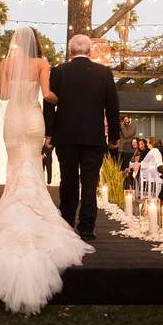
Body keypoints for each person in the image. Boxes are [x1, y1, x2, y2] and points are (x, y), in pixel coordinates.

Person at [0, 28, 95, 315]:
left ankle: (11, 212)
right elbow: (48, 95)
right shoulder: (42, 63)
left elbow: (3, 93)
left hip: (13, 119)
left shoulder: (6, 63)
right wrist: (66, 102)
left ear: (15, 45)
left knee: (14, 170)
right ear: (36, 43)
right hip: (33, 120)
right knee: (32, 166)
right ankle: (37, 213)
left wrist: (12, 82)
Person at [44, 34, 121, 241]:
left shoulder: (58, 72)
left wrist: (48, 133)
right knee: (90, 182)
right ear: (90, 51)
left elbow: (49, 104)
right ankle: (87, 228)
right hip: (93, 137)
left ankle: (67, 223)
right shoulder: (104, 73)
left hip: (65, 136)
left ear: (70, 51)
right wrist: (114, 136)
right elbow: (112, 107)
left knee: (68, 181)